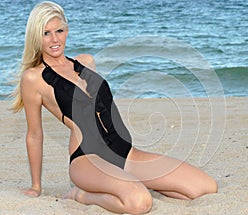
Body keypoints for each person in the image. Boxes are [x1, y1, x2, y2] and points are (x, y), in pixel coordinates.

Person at [12, 1, 217, 214]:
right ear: (36, 36)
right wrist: (36, 187)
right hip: (87, 158)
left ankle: (130, 182)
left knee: (205, 188)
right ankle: (80, 194)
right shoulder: (33, 78)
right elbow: (34, 135)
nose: (54, 39)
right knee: (139, 203)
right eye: (46, 33)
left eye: (59, 31)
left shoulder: (86, 62)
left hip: (124, 151)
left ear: (67, 30)